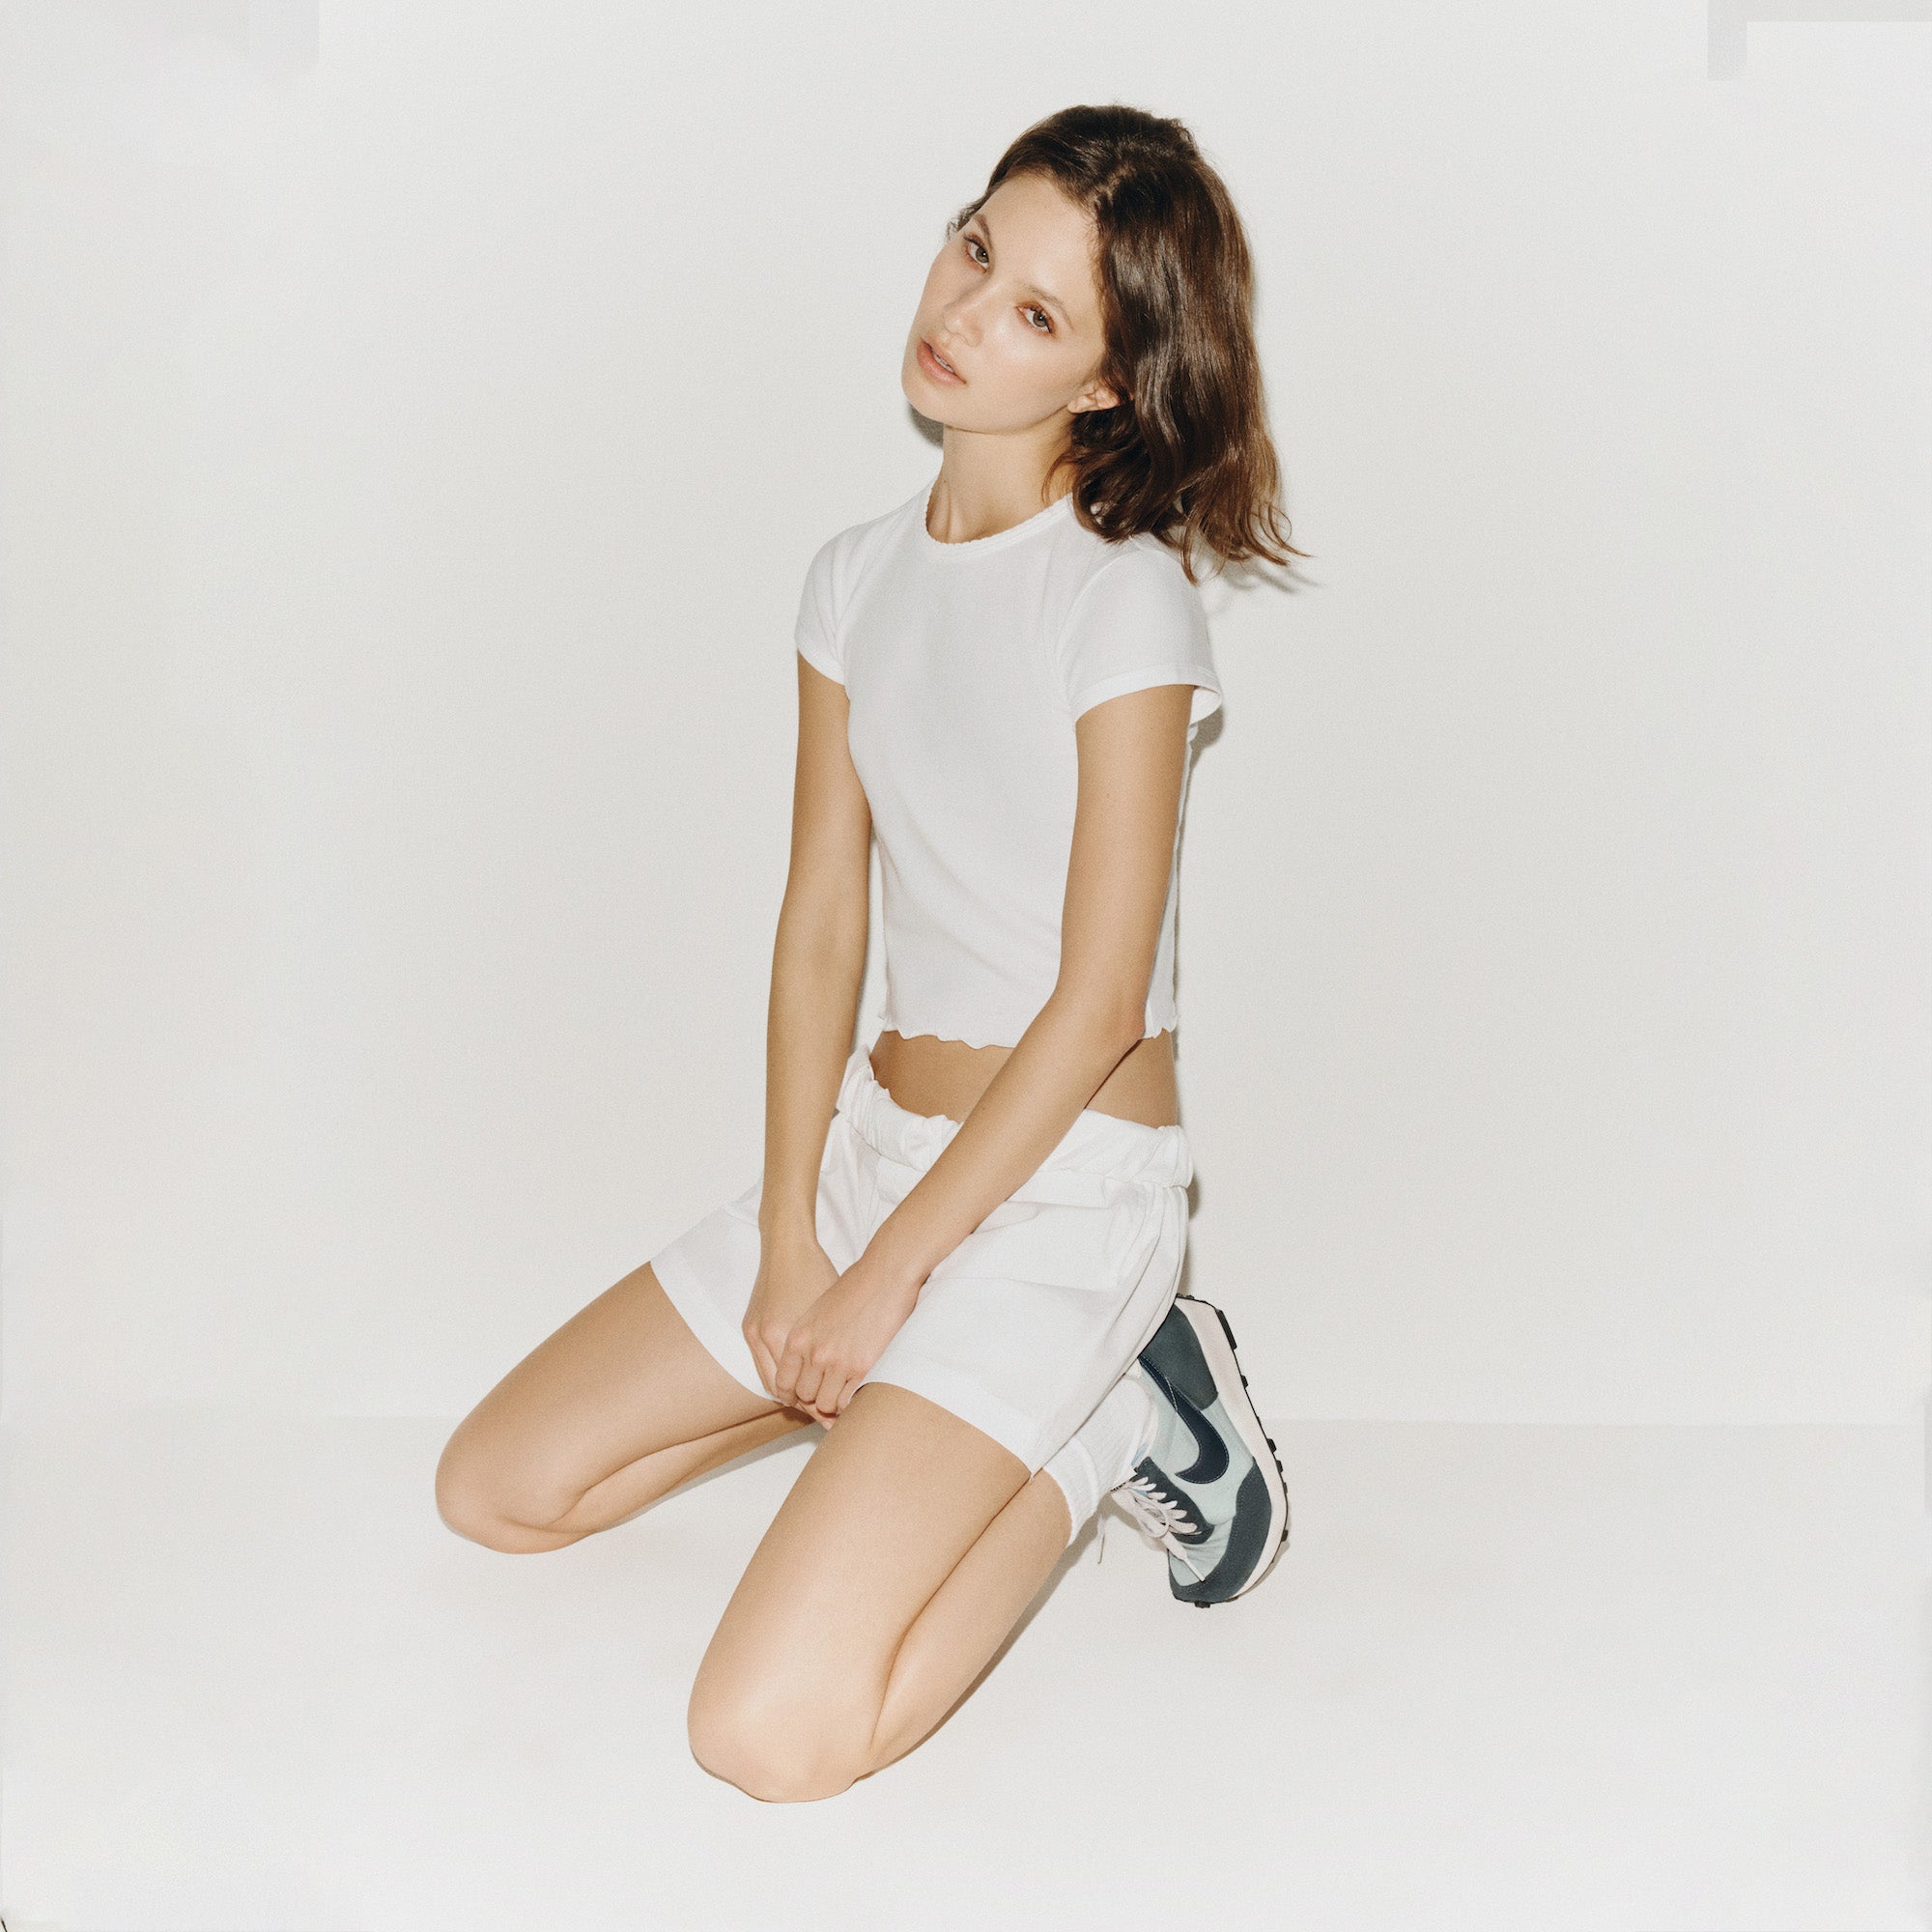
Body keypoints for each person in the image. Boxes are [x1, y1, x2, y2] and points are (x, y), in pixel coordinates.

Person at [435, 102, 1304, 1804]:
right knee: (499, 1491)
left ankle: (1115, 1415)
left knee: (767, 1734)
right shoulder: (853, 579)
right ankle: (898, 1390)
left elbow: (1099, 1002)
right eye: (977, 249)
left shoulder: (1120, 597)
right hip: (877, 1160)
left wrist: (886, 1281)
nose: (965, 314)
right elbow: (822, 921)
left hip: (1057, 1199)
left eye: (1035, 313)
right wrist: (793, 1243)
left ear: (1108, 381)